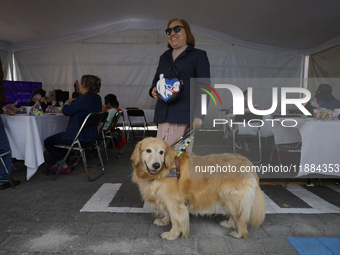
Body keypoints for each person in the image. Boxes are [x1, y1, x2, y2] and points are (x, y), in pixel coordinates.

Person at [149, 18, 210, 148]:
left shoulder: (198, 55)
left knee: (179, 159)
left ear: (187, 32)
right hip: (163, 114)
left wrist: (199, 115)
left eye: (177, 29)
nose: (172, 33)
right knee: (162, 158)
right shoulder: (164, 57)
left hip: (184, 115)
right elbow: (156, 81)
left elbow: (205, 88)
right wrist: (153, 90)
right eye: (168, 31)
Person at [44, 75, 102, 174]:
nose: (79, 85)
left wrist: (67, 102)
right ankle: (61, 163)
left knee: (48, 141)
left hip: (78, 137)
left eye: (81, 83)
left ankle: (62, 165)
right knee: (60, 138)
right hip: (92, 137)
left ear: (87, 87)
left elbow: (66, 111)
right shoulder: (97, 98)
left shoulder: (82, 99)